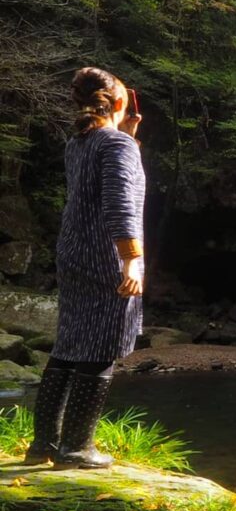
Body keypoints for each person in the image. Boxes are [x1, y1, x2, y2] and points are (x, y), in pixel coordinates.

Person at [24, 67, 145, 469]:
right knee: (101, 348)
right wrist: (132, 260)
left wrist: (126, 136)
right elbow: (118, 205)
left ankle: (44, 446)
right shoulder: (116, 146)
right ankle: (77, 448)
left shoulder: (79, 143)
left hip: (73, 253)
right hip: (104, 256)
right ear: (120, 101)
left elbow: (106, 179)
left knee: (68, 345)